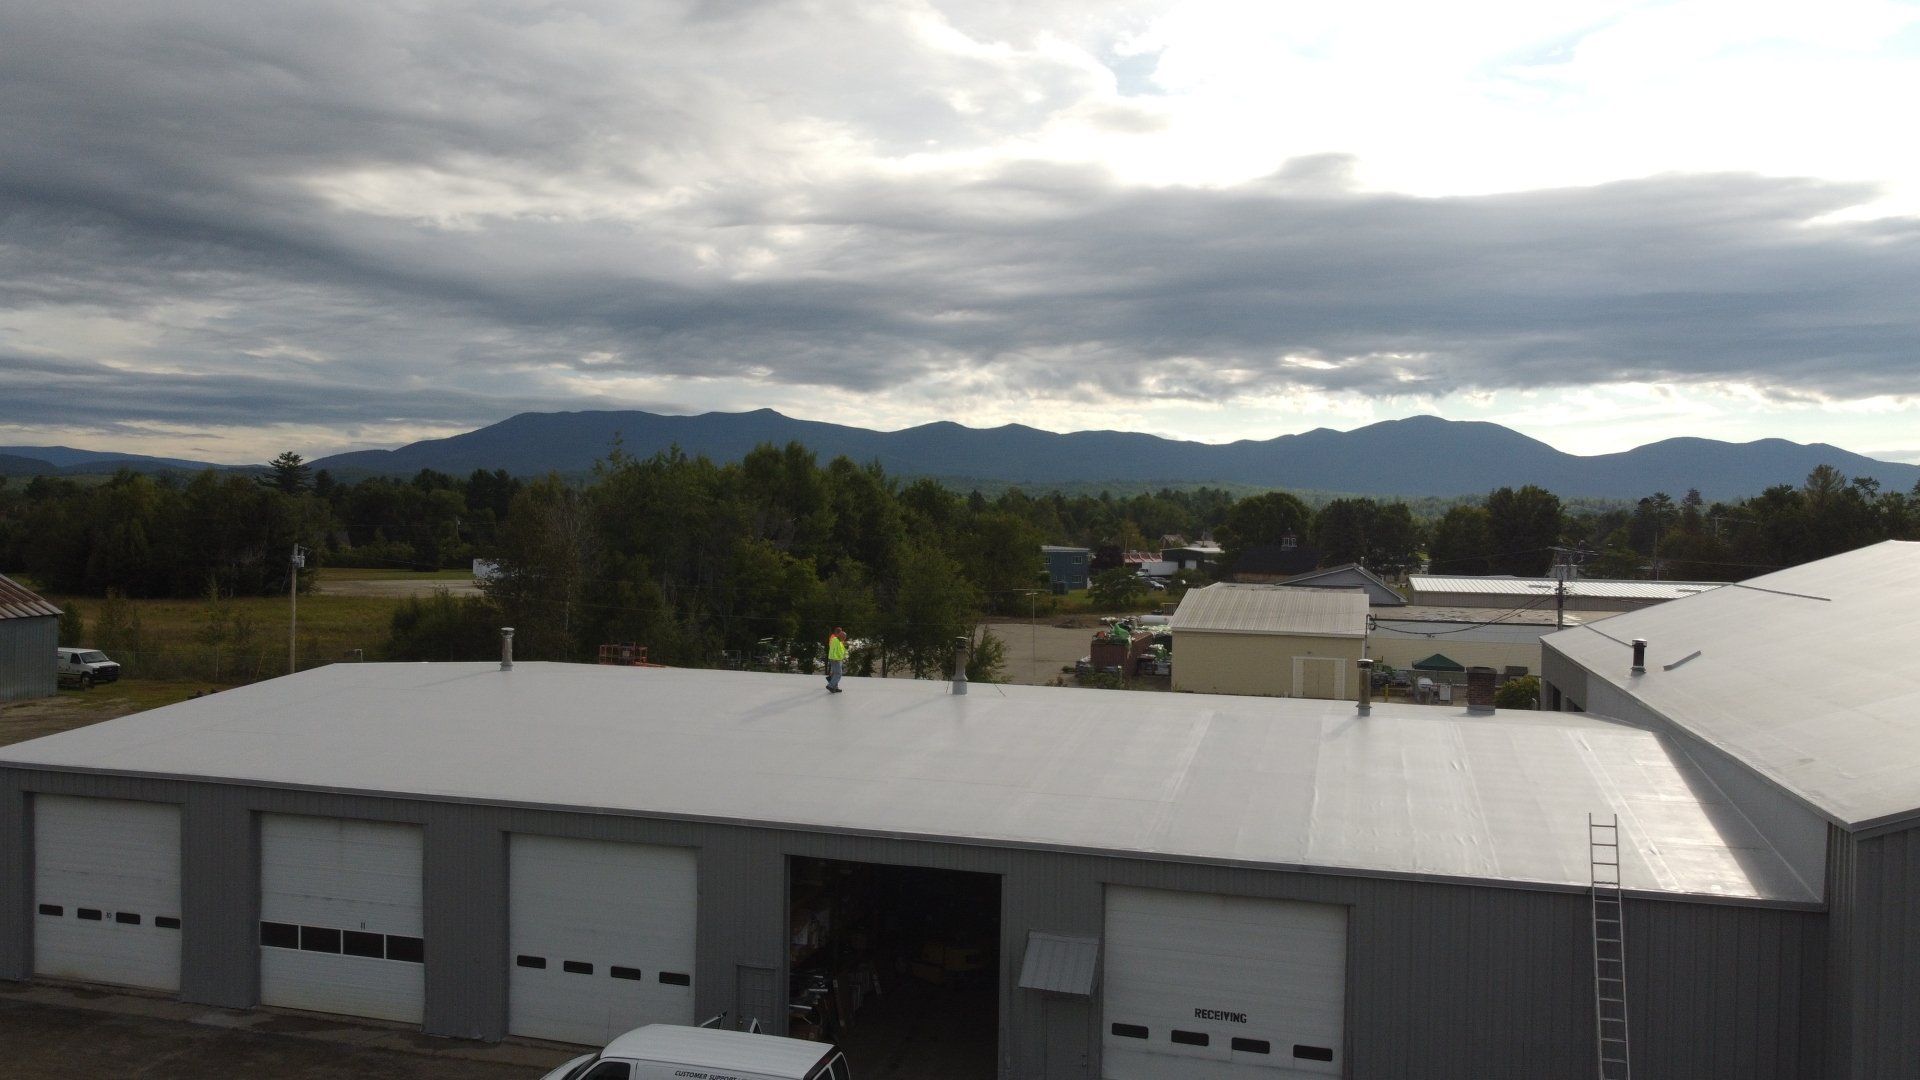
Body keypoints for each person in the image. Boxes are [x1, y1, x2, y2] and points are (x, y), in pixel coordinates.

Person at [825, 628, 848, 693]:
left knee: (835, 673)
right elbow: (833, 650)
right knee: (838, 674)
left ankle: (834, 686)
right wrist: (835, 659)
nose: (844, 639)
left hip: (838, 659)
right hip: (835, 659)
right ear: (839, 635)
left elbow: (841, 650)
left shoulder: (839, 641)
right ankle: (831, 686)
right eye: (844, 637)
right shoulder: (835, 640)